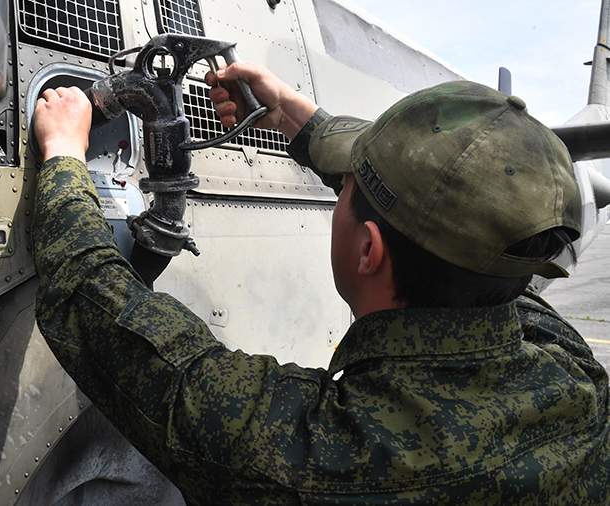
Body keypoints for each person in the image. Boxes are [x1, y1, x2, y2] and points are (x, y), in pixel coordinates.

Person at [31, 63, 610, 504]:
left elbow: (96, 305)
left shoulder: (325, 457)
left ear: (368, 250)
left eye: (351, 186)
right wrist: (297, 118)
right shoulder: (572, 371)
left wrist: (63, 155)